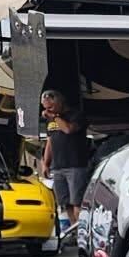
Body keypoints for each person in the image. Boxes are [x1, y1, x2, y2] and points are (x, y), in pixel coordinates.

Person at [38, 90, 90, 244]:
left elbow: (68, 129)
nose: (48, 111)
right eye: (45, 108)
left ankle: (83, 234)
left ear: (59, 102)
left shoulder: (75, 115)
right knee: (66, 202)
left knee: (77, 201)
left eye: (51, 107)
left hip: (75, 165)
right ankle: (74, 233)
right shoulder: (51, 120)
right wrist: (45, 162)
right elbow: (50, 141)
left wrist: (54, 116)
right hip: (58, 166)